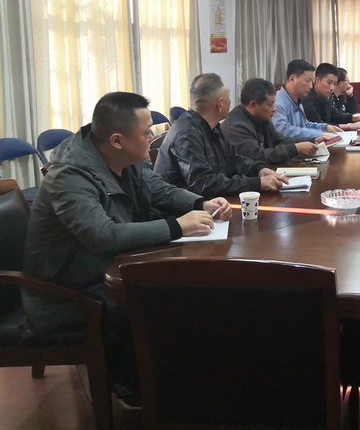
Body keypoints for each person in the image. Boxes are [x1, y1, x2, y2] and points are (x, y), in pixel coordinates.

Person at [22, 91, 233, 407]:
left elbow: (159, 190)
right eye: (146, 132)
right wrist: (178, 226)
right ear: (117, 140)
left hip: (106, 268)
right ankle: (136, 384)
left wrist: (200, 203)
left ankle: (183, 378)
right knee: (163, 300)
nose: (153, 137)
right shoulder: (69, 175)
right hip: (65, 291)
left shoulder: (123, 158)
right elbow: (103, 236)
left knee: (190, 289)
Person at [154, 73, 287, 196]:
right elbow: (203, 184)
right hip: (185, 209)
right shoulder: (187, 135)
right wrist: (257, 183)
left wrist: (259, 170)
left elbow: (233, 160)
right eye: (229, 96)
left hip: (211, 202)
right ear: (220, 103)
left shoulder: (211, 126)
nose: (231, 101)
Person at [221, 78, 320, 165]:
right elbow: (257, 156)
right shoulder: (236, 126)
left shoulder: (262, 117)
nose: (274, 109)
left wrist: (312, 140)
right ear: (253, 105)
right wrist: (295, 149)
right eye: (270, 105)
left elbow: (279, 141)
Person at [273, 59, 341, 140]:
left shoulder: (297, 100)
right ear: (292, 79)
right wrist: (319, 134)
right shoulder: (277, 102)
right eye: (308, 81)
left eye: (312, 82)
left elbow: (304, 125)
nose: (311, 86)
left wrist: (325, 127)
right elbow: (283, 131)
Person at [301, 62, 360, 129]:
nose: (332, 88)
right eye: (329, 82)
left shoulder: (324, 97)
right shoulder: (308, 99)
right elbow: (318, 125)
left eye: (334, 84)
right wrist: (348, 126)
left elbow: (338, 116)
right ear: (318, 80)